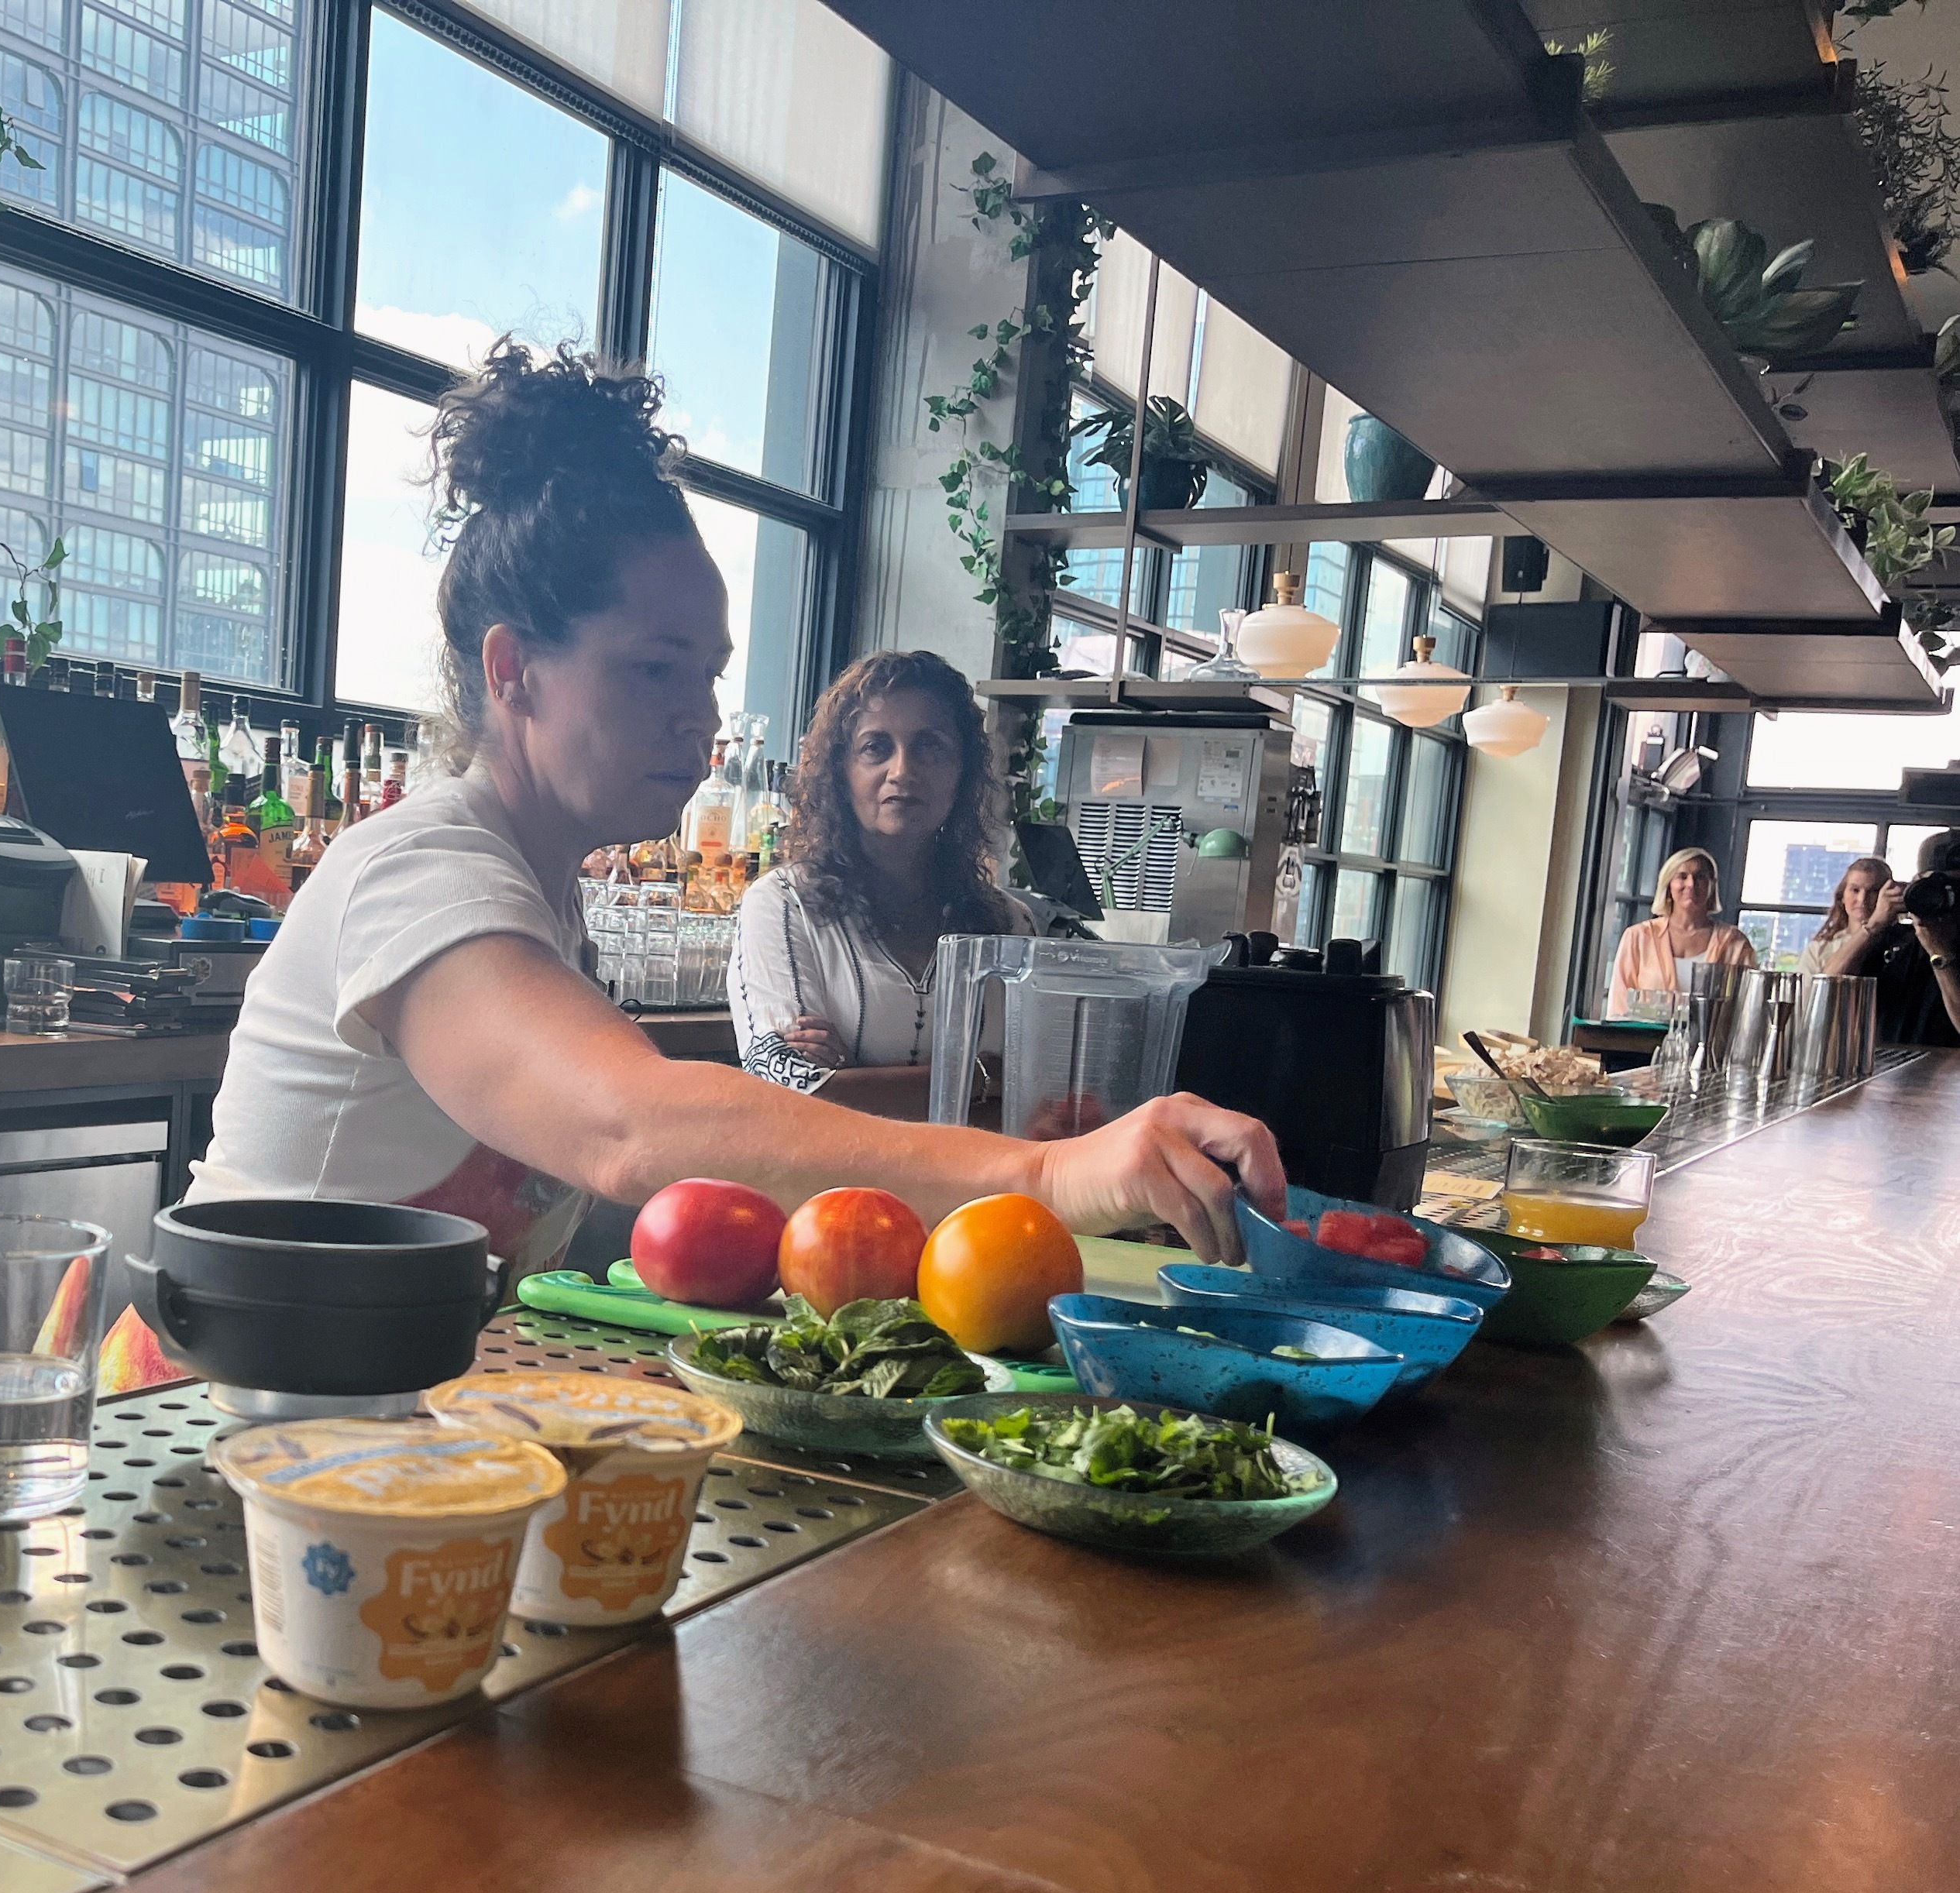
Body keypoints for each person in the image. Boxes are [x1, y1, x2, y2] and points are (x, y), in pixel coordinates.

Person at [182, 342, 1285, 1276]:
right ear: (514, 669)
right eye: (656, 670)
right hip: (219, 1425)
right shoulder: (420, 869)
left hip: (371, 1419)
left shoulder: (546, 897)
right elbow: (631, 1128)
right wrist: (1041, 1173)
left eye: (708, 675)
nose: (698, 720)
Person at [727, 650, 1033, 1115]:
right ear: (840, 771)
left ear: (962, 773)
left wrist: (855, 1080)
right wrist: (981, 1076)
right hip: (833, 1188)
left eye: (930, 746)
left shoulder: (1011, 923)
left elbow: (1038, 1089)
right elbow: (786, 1095)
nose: (903, 771)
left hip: (983, 1188)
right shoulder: (783, 905)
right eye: (876, 747)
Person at [1810, 832, 1960, 1046]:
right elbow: (1829, 988)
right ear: (1917, 885)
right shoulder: (1898, 941)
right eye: (1938, 888)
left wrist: (1941, 954)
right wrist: (1875, 925)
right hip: (1887, 1073)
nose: (1951, 899)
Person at [1608, 846, 1754, 1016]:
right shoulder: (1638, 937)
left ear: (1712, 886)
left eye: (1700, 877)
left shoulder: (1735, 943)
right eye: (1682, 877)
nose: (1691, 884)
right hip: (1643, 1041)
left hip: (1712, 1042)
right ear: (1669, 884)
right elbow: (1619, 1005)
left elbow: (1747, 1009)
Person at [1798, 856, 1893, 976]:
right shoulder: (1819, 949)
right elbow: (1819, 989)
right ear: (1842, 896)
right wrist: (1871, 927)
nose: (1862, 899)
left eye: (1873, 891)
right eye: (1855, 890)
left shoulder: (1903, 944)